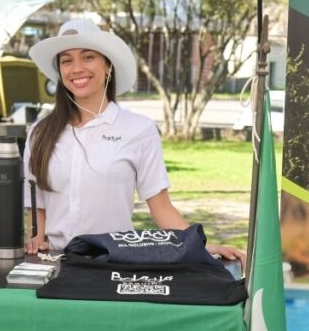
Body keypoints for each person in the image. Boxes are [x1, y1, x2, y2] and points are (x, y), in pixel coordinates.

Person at [23, 19, 243, 263]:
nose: (76, 68)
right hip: (54, 264)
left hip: (112, 264)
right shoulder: (39, 133)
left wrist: (203, 246)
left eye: (88, 57)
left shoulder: (139, 129)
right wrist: (36, 237)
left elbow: (161, 209)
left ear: (108, 66)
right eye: (66, 60)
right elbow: (38, 205)